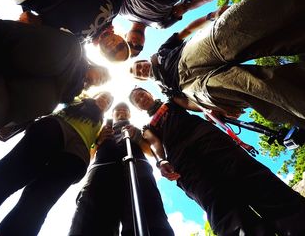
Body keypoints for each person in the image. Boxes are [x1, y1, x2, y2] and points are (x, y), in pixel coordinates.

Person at [130, 0, 305, 128]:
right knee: (251, 87)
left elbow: (187, 31)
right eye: (138, 73)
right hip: (191, 87)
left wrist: (212, 16)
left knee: (237, 26)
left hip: (191, 54)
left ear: (143, 60)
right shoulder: (165, 91)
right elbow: (187, 103)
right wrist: (215, 108)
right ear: (143, 80)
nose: (141, 69)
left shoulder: (162, 51)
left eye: (138, 66)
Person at [129, 87, 305, 236]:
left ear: (149, 93)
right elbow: (155, 143)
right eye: (137, 100)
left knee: (253, 180)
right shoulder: (148, 128)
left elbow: (193, 104)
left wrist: (211, 108)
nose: (141, 98)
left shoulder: (172, 100)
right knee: (219, 206)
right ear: (137, 107)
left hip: (208, 139)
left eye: (142, 94)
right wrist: (162, 162)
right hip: (183, 164)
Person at [0, 91, 114, 236]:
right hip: (57, 127)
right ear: (95, 95)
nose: (105, 101)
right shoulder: (79, 98)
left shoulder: (101, 126)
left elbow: (94, 148)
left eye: (108, 102)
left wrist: (100, 141)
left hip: (78, 153)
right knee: (7, 176)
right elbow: (62, 94)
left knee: (38, 204)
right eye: (104, 96)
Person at [0, 0, 110, 141]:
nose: (100, 79)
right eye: (103, 74)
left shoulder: (66, 97)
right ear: (95, 65)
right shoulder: (74, 48)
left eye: (102, 82)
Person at [69, 102, 174, 236]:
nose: (122, 111)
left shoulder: (139, 129)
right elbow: (88, 154)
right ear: (112, 113)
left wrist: (137, 138)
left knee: (150, 217)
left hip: (138, 169)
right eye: (118, 109)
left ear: (129, 114)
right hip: (101, 171)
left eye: (125, 109)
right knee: (91, 219)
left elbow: (150, 149)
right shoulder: (100, 128)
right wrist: (98, 141)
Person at [0, 0, 130, 62]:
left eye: (112, 54)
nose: (113, 47)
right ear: (122, 38)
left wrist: (32, 24)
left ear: (103, 55)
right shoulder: (114, 7)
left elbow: (36, 24)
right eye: (120, 46)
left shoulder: (75, 44)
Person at [120, 0, 225, 57]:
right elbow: (185, 6)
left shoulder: (120, 10)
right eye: (139, 47)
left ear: (124, 37)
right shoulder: (161, 24)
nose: (135, 43)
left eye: (129, 44)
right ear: (144, 44)